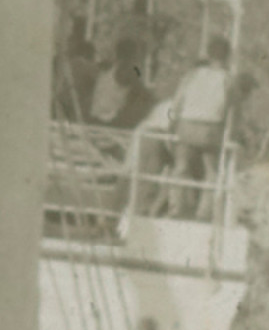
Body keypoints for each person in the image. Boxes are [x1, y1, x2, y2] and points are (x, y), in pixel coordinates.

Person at [169, 38, 231, 218]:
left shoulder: (192, 75)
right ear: (227, 57)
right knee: (211, 171)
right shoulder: (227, 79)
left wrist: (172, 124)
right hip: (211, 129)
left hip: (186, 125)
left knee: (181, 167)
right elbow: (231, 111)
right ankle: (204, 212)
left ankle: (176, 208)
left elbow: (177, 102)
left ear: (209, 54)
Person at [88, 38, 155, 130]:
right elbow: (143, 92)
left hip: (96, 117)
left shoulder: (109, 69)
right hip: (109, 121)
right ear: (134, 54)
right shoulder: (130, 69)